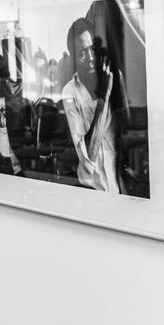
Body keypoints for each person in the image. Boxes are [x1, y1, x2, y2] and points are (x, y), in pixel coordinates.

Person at [61, 17, 121, 193]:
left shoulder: (114, 77)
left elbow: (128, 131)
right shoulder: (70, 91)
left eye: (92, 49)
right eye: (82, 53)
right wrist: (103, 97)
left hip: (120, 190)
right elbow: (88, 161)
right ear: (73, 59)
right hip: (91, 191)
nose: (90, 58)